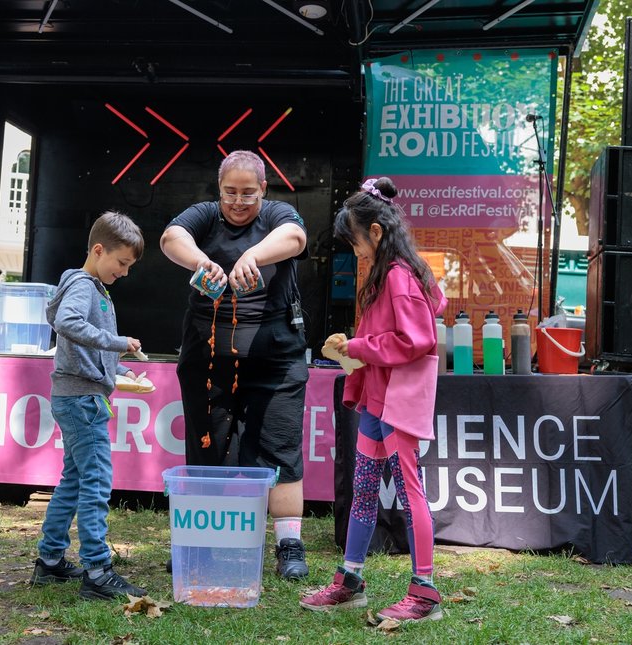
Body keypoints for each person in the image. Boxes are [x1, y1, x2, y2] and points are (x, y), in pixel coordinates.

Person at [299, 177, 447, 622]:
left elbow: (416, 339)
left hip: (398, 400)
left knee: (409, 493)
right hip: (376, 400)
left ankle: (425, 594)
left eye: (356, 241)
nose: (355, 250)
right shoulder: (393, 272)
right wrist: (357, 343)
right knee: (364, 490)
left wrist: (360, 348)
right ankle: (351, 579)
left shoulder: (399, 275)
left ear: (376, 233)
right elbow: (423, 311)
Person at [159, 150, 310, 579]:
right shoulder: (205, 216)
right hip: (208, 358)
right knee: (206, 445)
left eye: (248, 193)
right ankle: (199, 543)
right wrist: (200, 261)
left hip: (275, 357)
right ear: (218, 190)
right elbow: (172, 237)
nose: (238, 201)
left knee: (280, 448)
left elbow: (295, 240)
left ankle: (289, 546)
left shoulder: (279, 215)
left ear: (263, 189)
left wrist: (254, 256)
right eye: (230, 193)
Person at [30, 210, 148, 601]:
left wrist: (117, 368)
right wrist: (117, 342)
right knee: (96, 483)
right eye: (122, 263)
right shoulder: (83, 285)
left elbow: (83, 344)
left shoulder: (88, 285)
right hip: (82, 401)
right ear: (99, 250)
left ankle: (49, 561)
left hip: (77, 395)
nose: (125, 272)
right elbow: (67, 322)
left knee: (75, 480)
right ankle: (97, 570)